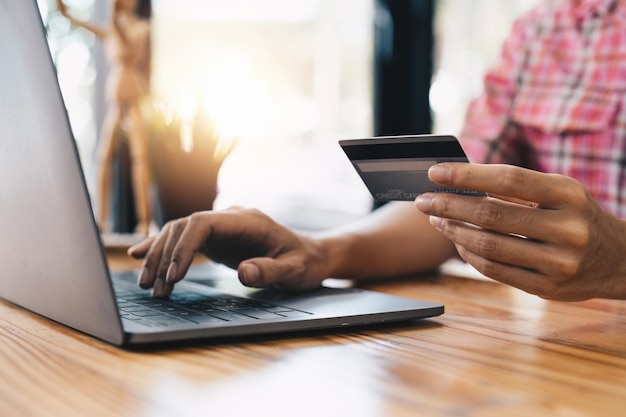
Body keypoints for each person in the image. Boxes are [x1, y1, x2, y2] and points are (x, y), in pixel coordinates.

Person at [129, 0, 626, 301]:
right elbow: (455, 202)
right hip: (570, 360)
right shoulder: (545, 31)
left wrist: (618, 262)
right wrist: (319, 252)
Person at [57, 0, 152, 234]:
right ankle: (101, 220)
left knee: (139, 156)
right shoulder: (111, 28)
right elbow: (78, 22)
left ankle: (144, 221)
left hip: (131, 91)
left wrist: (113, 20)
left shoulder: (141, 28)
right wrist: (62, 10)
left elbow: (128, 48)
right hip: (116, 93)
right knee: (104, 157)